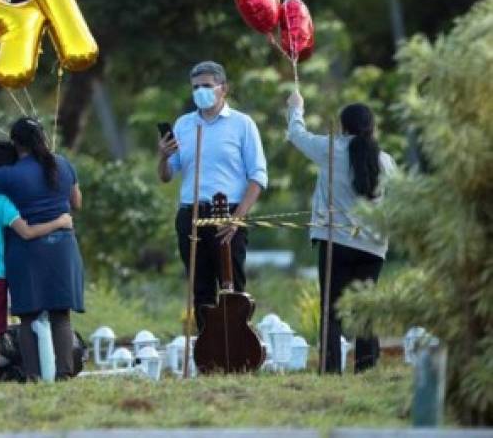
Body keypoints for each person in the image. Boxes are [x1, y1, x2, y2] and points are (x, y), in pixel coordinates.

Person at [0, 118, 84, 381]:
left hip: (27, 250)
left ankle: (34, 375)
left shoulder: (9, 174)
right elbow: (76, 202)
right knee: (61, 314)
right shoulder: (63, 164)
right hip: (62, 247)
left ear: (16, 144)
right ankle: (64, 373)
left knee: (29, 315)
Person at [286, 90, 396, 373]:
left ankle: (331, 369)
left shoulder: (330, 149)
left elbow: (297, 136)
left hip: (335, 240)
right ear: (372, 127)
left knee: (331, 309)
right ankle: (367, 367)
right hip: (373, 247)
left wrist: (296, 108)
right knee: (365, 308)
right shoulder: (386, 161)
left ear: (343, 126)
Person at [157, 61, 267, 332]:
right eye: (196, 87)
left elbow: (258, 177)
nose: (201, 92)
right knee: (200, 288)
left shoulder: (242, 124)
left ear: (223, 89)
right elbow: (167, 174)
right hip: (191, 212)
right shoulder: (184, 124)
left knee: (232, 287)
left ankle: (237, 347)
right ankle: (208, 350)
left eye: (207, 86)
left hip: (228, 212)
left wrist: (237, 219)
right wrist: (163, 155)